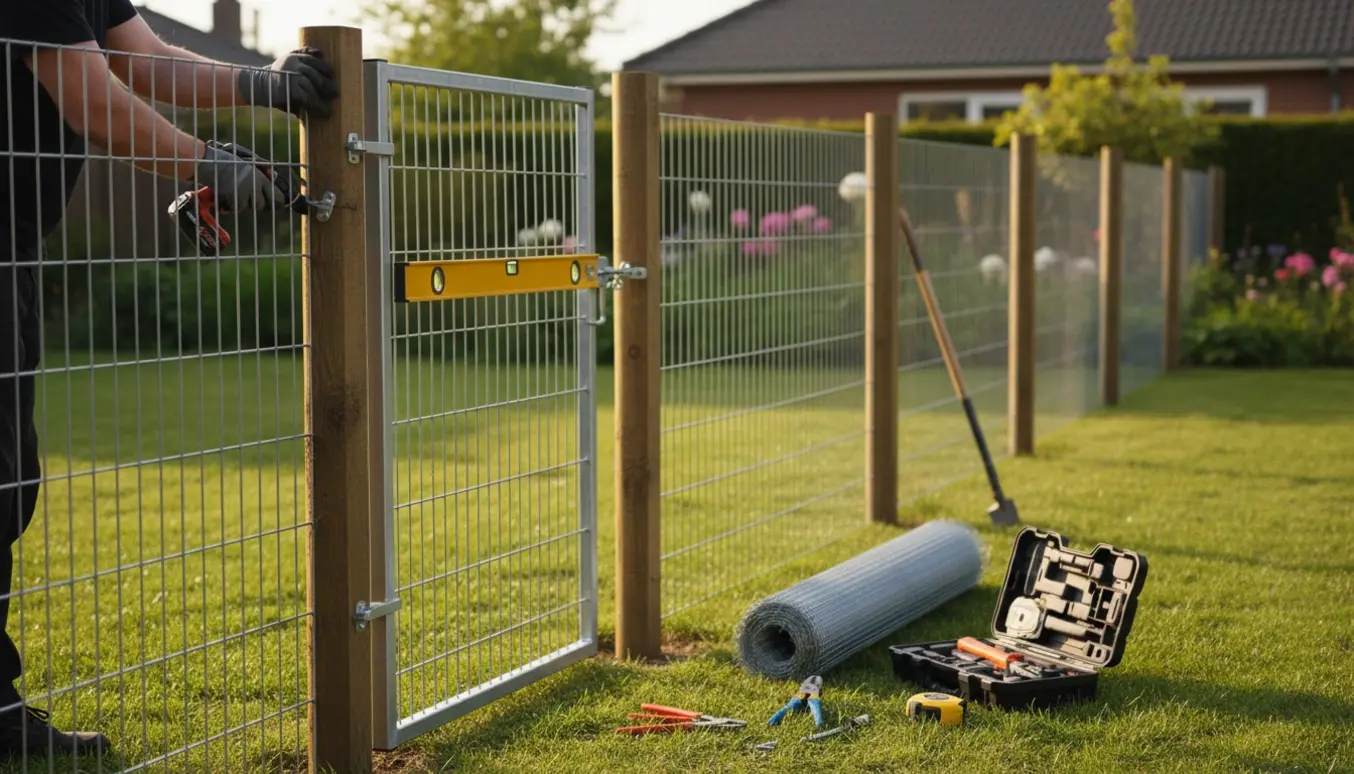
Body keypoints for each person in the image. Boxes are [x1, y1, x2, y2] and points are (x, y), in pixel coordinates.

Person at [0, 0, 338, 759]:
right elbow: (94, 101)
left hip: (12, 247)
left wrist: (261, 86)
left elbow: (142, 57)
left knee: (8, 483)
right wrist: (203, 162)